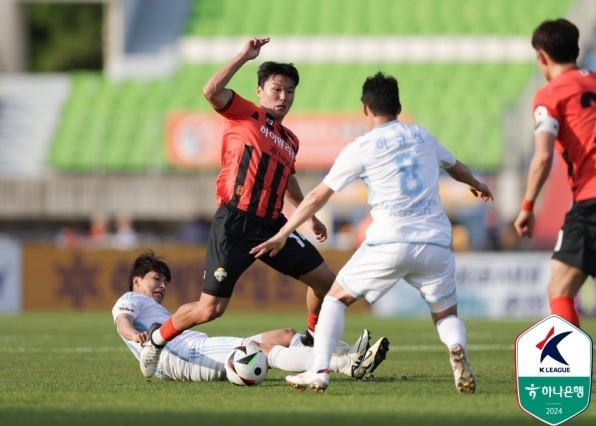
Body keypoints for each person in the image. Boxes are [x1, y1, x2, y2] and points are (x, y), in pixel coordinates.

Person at [251, 72, 493, 393]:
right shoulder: (423, 136)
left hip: (389, 241)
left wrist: (286, 230)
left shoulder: (362, 147)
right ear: (399, 107)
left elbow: (319, 196)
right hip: (435, 242)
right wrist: (478, 185)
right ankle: (455, 348)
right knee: (446, 315)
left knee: (335, 300)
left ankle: (319, 371)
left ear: (365, 109)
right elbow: (457, 168)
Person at [138, 37, 340, 378]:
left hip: (273, 225)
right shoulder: (245, 113)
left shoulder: (291, 140)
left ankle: (312, 340)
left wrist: (311, 216)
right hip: (234, 222)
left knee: (327, 284)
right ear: (260, 90)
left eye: (290, 91)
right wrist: (244, 55)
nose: (283, 97)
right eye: (276, 88)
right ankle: (156, 341)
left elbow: (286, 180)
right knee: (210, 309)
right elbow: (210, 90)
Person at [113, 251, 375, 382]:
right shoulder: (131, 299)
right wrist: (135, 335)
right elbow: (122, 322)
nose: (162, 285)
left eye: (165, 281)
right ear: (136, 281)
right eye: (156, 279)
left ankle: (341, 353)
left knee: (285, 334)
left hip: (193, 348)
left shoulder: (153, 308)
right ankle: (345, 364)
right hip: (186, 356)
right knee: (256, 349)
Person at [513, 19, 596, 328]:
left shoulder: (550, 95)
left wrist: (527, 207)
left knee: (559, 289)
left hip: (591, 199)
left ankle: (569, 373)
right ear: (577, 50)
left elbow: (543, 156)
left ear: (541, 57)